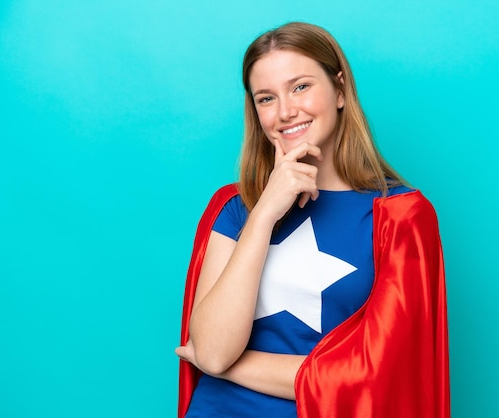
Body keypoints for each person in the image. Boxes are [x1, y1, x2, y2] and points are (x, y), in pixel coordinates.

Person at [176, 22, 449, 418]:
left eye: (300, 87)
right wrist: (265, 211)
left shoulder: (401, 216)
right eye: (266, 98)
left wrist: (230, 366)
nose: (286, 112)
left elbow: (376, 377)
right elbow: (213, 350)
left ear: (339, 90)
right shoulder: (233, 206)